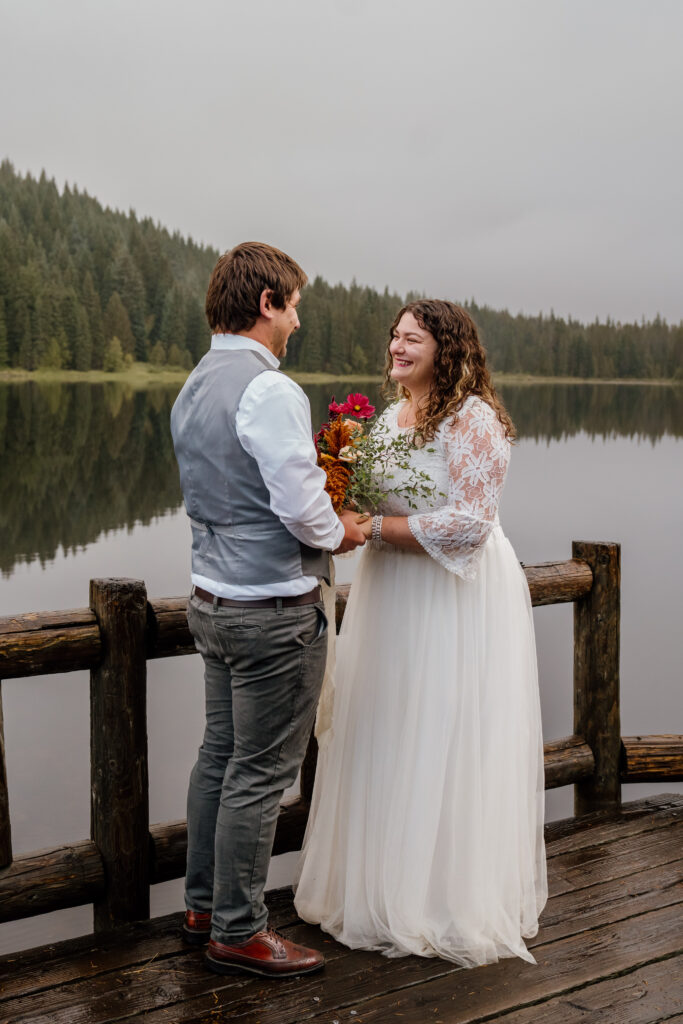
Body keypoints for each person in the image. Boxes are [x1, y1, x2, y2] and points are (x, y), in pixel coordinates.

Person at [294, 299, 548, 966]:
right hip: (391, 593)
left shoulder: (473, 420)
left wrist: (370, 529)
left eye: (412, 338)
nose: (396, 346)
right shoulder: (384, 420)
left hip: (452, 595)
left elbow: (469, 523)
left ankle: (440, 897)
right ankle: (376, 884)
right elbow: (366, 501)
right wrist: (341, 514)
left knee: (443, 727)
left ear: (446, 348)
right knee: (385, 724)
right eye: (394, 336)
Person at [170, 242, 366, 978]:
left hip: (211, 600)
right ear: (266, 304)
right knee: (258, 773)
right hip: (274, 612)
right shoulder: (269, 389)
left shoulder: (193, 383)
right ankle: (239, 929)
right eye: (294, 306)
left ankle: (200, 906)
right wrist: (340, 528)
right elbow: (300, 508)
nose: (297, 321)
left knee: (219, 757)